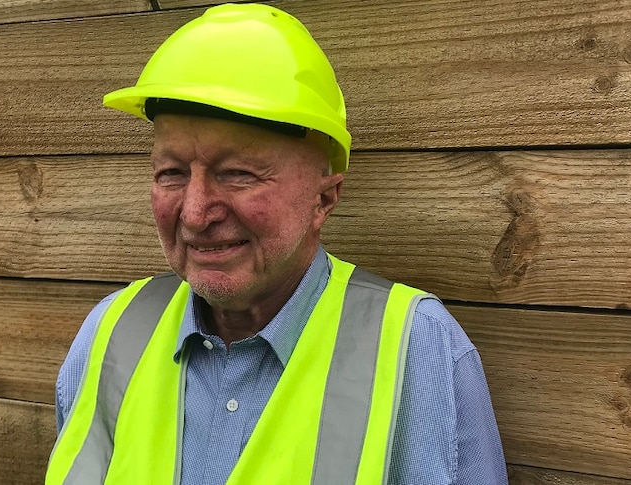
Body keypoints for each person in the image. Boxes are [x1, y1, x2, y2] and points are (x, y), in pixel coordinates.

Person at [46, 3, 507, 484]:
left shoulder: (418, 350)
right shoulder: (110, 335)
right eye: (172, 173)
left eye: (238, 174)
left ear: (323, 199)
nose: (196, 212)